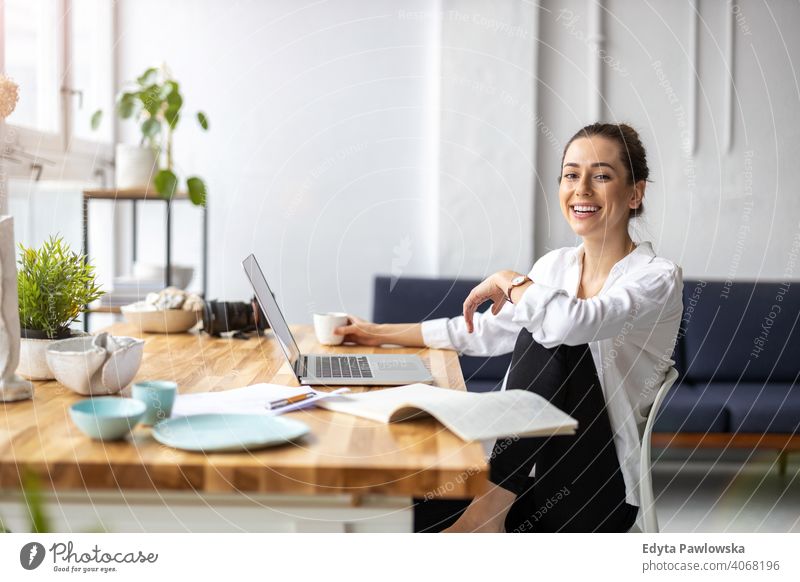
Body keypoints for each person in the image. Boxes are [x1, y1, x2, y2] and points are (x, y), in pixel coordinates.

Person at [334, 122, 684, 533]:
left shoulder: (657, 277)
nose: (582, 188)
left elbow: (572, 324)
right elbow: (483, 332)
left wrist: (510, 280)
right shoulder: (554, 268)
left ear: (635, 192)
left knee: (556, 336)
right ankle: (483, 512)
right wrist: (376, 333)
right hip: (524, 477)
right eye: (571, 174)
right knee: (397, 504)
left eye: (601, 175)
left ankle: (485, 516)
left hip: (594, 489)